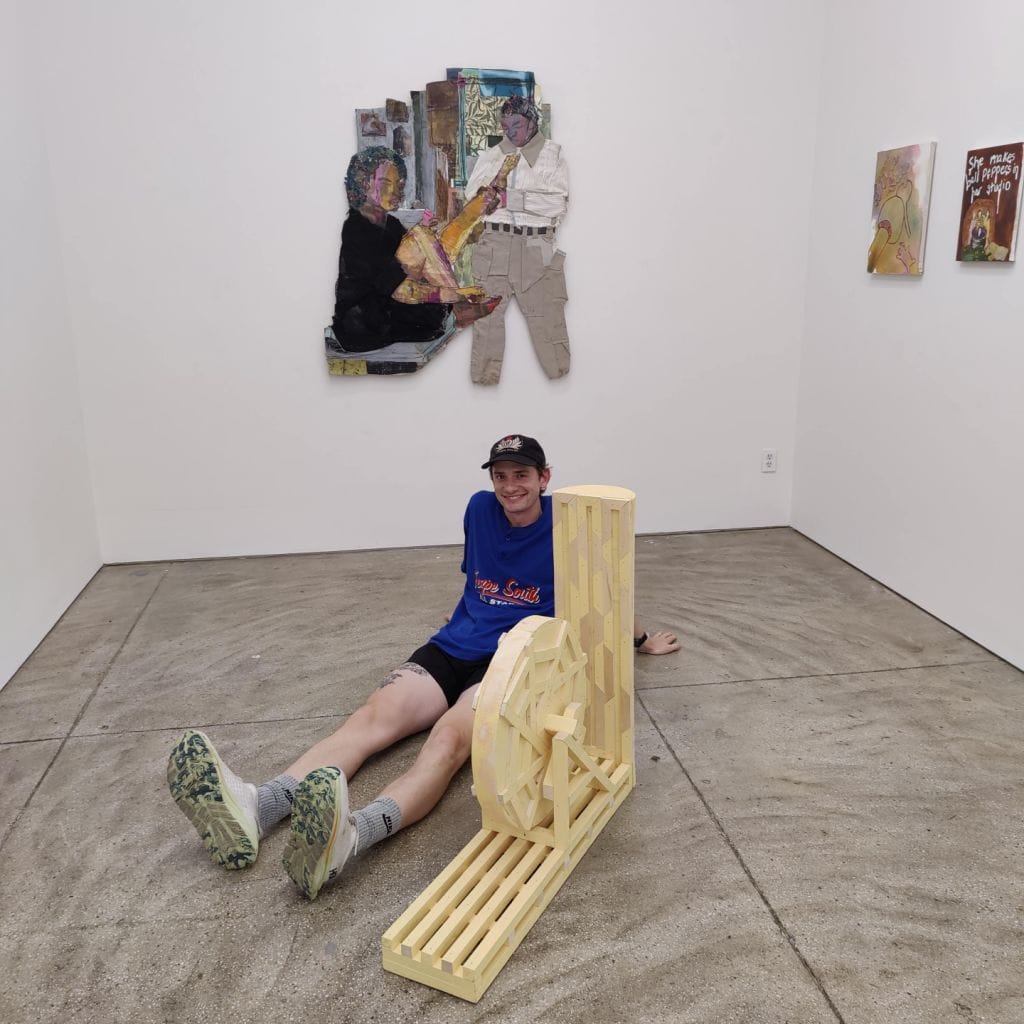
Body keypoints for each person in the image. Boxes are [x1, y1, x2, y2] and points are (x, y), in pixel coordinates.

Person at [167, 435, 679, 900]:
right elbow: (475, 577)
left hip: (513, 659)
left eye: (522, 475)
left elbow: (606, 595)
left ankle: (351, 837)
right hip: (455, 643)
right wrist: (469, 618)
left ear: (544, 478)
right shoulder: (479, 509)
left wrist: (640, 640)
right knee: (370, 719)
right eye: (501, 476)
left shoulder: (568, 526)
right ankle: (259, 807)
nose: (510, 486)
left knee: (448, 742)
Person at [327, 147, 504, 355]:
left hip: (391, 310)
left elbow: (437, 258)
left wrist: (477, 208)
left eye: (399, 184)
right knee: (421, 237)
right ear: (364, 184)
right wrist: (457, 294)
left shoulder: (390, 225)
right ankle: (460, 308)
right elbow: (401, 289)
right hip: (364, 325)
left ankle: (459, 308)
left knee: (426, 239)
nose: (396, 192)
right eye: (386, 183)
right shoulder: (357, 229)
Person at [463, 97, 571, 385]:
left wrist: (512, 200)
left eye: (517, 124)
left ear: (532, 122)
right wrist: (484, 199)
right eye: (505, 126)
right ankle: (483, 382)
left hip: (536, 246)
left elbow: (557, 204)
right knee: (487, 319)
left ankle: (561, 377)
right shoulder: (491, 156)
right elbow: (471, 198)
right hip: (494, 243)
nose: (510, 132)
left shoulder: (552, 155)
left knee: (546, 316)